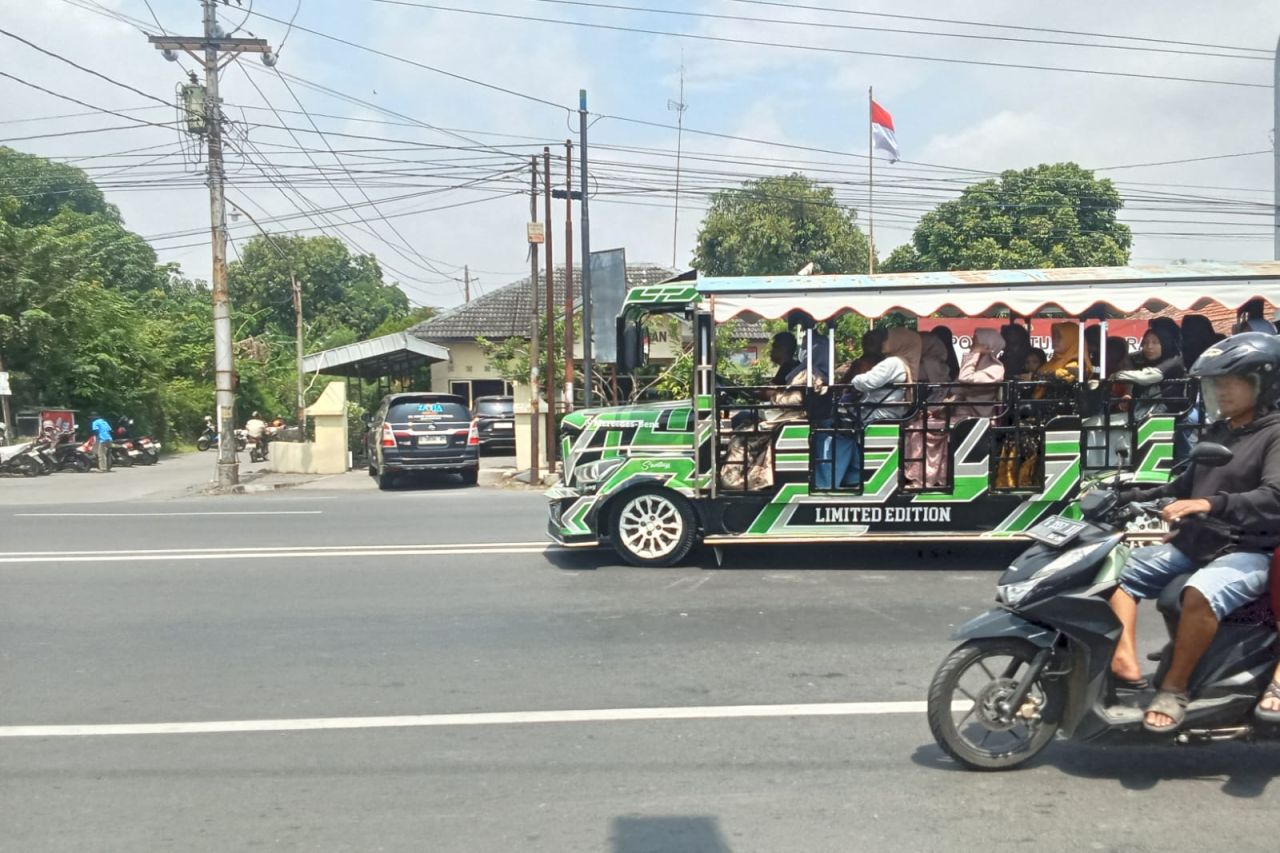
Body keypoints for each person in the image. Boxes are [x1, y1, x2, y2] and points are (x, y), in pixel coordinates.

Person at [1106, 332, 1280, 732]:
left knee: (1199, 592)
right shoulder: (1221, 431)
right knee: (1110, 569)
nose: (1221, 389)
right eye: (1216, 381)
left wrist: (1209, 504)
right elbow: (1183, 485)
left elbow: (1274, 496)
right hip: (1199, 542)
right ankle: (1125, 663)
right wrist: (1129, 493)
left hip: (1249, 549)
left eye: (1231, 380)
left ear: (1262, 382)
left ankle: (1175, 688)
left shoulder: (1274, 433)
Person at [817, 328, 921, 489]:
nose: (883, 342)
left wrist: (855, 376)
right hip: (883, 410)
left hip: (875, 413)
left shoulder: (893, 362)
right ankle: (852, 475)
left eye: (887, 338)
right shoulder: (903, 363)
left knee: (832, 429)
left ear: (899, 341)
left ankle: (827, 481)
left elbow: (866, 382)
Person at [923, 327, 1006, 489]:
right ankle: (931, 475)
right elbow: (956, 391)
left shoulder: (996, 369)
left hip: (977, 418)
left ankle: (934, 477)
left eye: (976, 341)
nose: (972, 344)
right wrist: (937, 410)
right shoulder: (976, 366)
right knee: (919, 423)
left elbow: (965, 378)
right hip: (961, 414)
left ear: (987, 346)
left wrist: (973, 354)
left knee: (925, 428)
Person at [905, 332, 954, 487]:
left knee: (915, 427)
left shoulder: (928, 363)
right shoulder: (938, 362)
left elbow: (929, 391)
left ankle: (919, 476)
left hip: (936, 409)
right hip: (934, 407)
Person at [1112, 325, 1186, 420]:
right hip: (1144, 409)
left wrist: (1116, 375)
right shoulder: (1143, 360)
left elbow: (1147, 377)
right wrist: (1128, 394)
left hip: (1165, 411)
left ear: (1165, 344)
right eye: (1146, 343)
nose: (1149, 347)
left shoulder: (1174, 360)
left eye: (1155, 343)